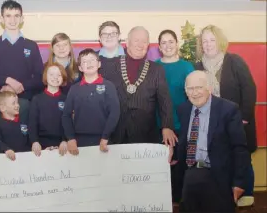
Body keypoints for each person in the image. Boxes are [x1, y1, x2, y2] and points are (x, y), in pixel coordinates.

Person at [195, 25, 257, 206]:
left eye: (212, 40)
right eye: (204, 41)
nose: (208, 44)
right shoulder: (197, 67)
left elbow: (249, 89)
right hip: (211, 124)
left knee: (241, 156)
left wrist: (244, 117)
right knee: (218, 158)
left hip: (238, 121)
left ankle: (247, 192)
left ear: (219, 41)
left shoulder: (234, 61)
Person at [176, 71, 250, 213]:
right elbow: (183, 144)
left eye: (199, 87)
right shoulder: (183, 109)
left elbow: (239, 148)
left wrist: (239, 182)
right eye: (190, 88)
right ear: (185, 91)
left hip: (218, 176)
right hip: (190, 174)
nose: (195, 92)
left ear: (209, 88)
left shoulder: (228, 109)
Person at [0, 0, 44, 140]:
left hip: (23, 102)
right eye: (8, 15)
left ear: (22, 18)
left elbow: (40, 78)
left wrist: (18, 87)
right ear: (1, 19)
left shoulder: (31, 45)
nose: (12, 20)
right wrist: (7, 80)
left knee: (24, 145)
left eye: (16, 15)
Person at [99, 26, 176, 145]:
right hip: (114, 134)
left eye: (144, 41)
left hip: (146, 135)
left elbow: (165, 100)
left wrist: (167, 127)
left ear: (148, 45)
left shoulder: (157, 69)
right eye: (136, 40)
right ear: (127, 43)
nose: (140, 44)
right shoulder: (109, 66)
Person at [155, 29, 194, 204]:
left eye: (171, 41)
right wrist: (165, 125)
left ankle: (178, 201)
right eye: (164, 42)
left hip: (182, 125)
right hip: (158, 124)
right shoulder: (154, 66)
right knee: (162, 166)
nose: (168, 45)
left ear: (177, 44)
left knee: (179, 166)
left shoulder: (187, 67)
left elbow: (194, 96)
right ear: (159, 47)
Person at [62, 49, 120, 155]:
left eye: (92, 60)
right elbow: (66, 115)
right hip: (79, 141)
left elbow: (114, 113)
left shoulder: (109, 86)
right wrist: (70, 138)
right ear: (80, 68)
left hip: (104, 140)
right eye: (84, 61)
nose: (89, 63)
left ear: (99, 64)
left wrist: (105, 137)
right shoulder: (74, 89)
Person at [29, 63, 68, 156]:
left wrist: (65, 140)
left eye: (59, 75)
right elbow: (32, 123)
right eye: (51, 74)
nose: (55, 77)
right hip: (41, 146)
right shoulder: (37, 99)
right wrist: (34, 142)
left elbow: (70, 123)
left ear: (63, 78)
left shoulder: (67, 99)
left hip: (63, 146)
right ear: (45, 76)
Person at [0, 91, 30, 161]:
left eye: (17, 102)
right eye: (13, 103)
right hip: (6, 160)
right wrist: (6, 149)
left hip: (24, 159)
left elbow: (29, 139)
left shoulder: (24, 122)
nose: (18, 105)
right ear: (2, 108)